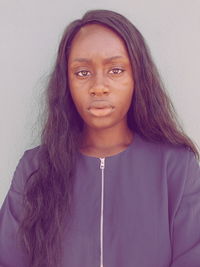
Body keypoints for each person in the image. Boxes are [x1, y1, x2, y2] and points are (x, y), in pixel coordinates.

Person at [0, 9, 200, 267]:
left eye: (116, 70)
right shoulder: (35, 168)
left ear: (137, 77)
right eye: (82, 72)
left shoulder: (176, 169)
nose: (98, 86)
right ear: (66, 83)